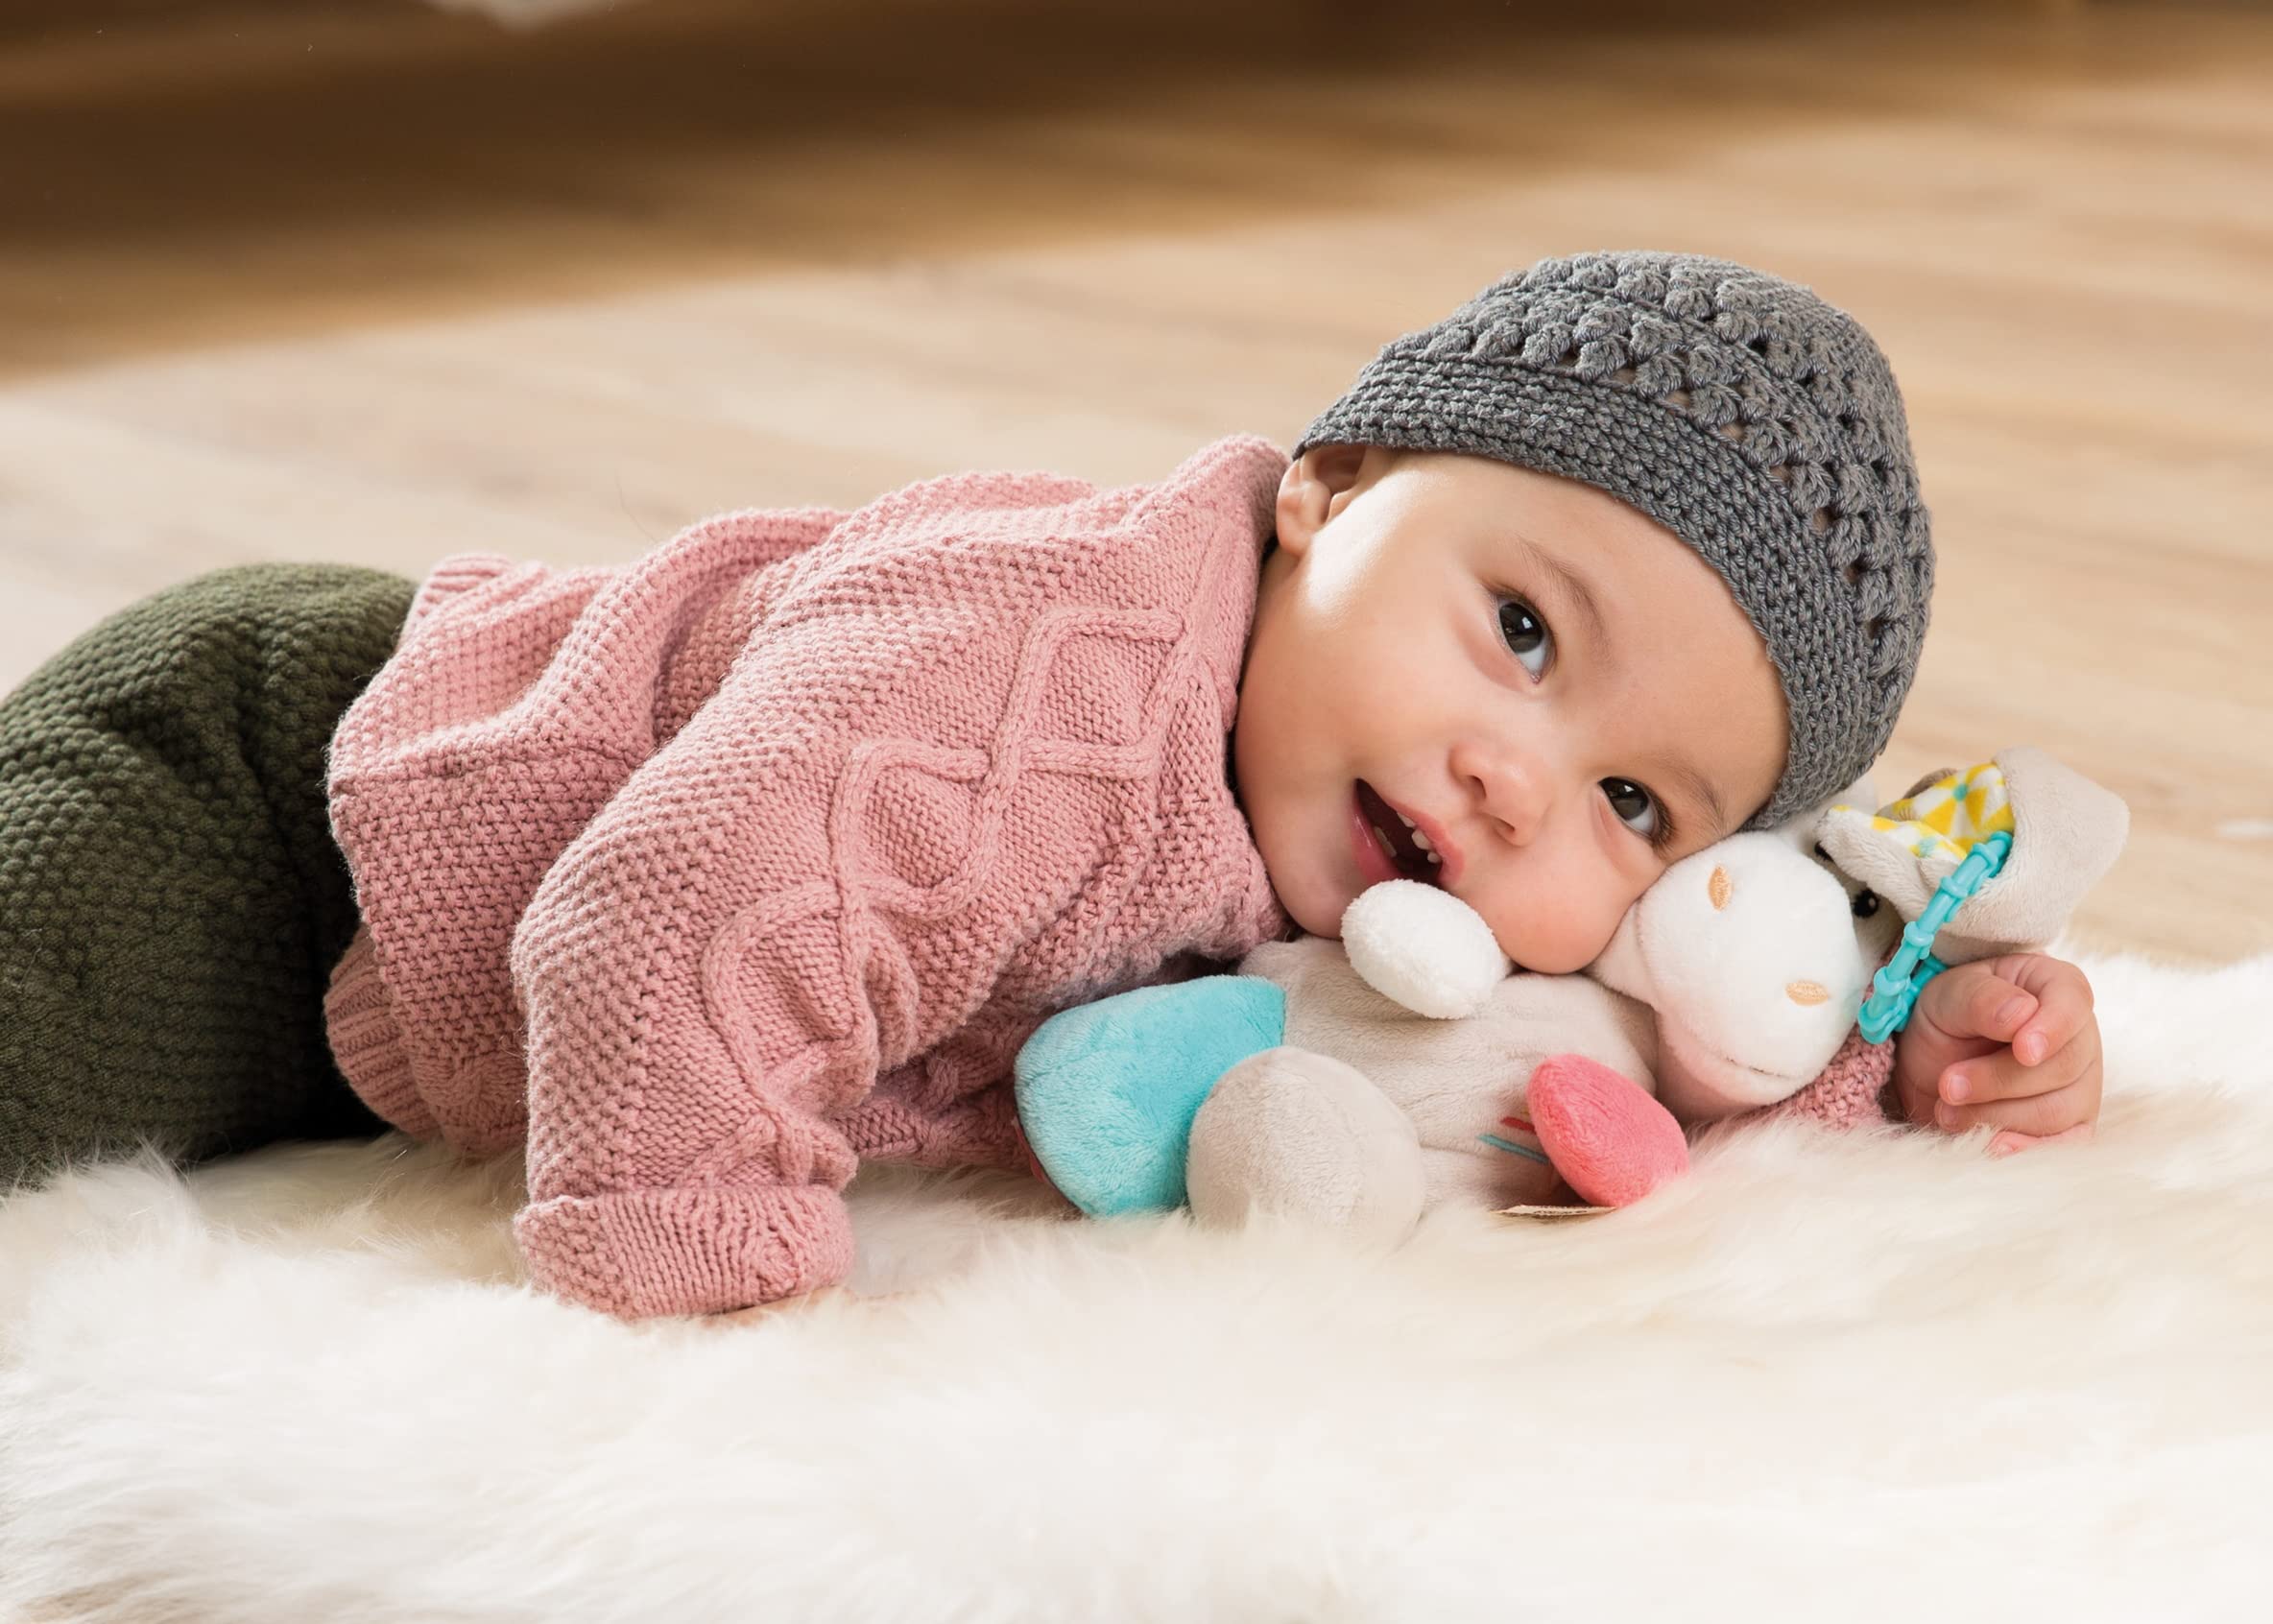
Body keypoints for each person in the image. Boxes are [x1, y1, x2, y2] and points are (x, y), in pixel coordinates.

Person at [0, 251, 2103, 1316]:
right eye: (1523, 634)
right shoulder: (1043, 671)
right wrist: (699, 1292)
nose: (1518, 782)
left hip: (393, 998)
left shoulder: (1397, 830)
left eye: (1637, 810)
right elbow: (670, 909)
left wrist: (1908, 1053)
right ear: (1324, 488)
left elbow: (1655, 1020)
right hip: (294, 805)